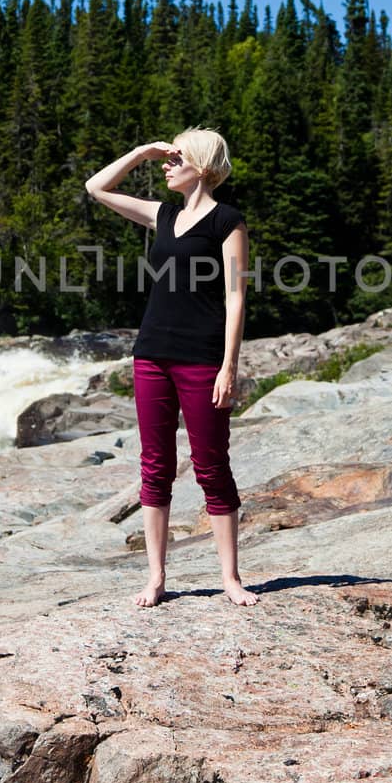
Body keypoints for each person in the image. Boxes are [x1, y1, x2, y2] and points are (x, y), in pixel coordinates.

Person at [84, 128, 258, 608]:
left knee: (211, 466)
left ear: (200, 167)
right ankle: (157, 578)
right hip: (151, 354)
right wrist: (140, 150)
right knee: (155, 467)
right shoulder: (162, 215)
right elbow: (96, 188)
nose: (167, 162)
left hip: (202, 358)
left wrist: (229, 367)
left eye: (176, 156)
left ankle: (230, 579)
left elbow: (236, 295)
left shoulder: (228, 221)